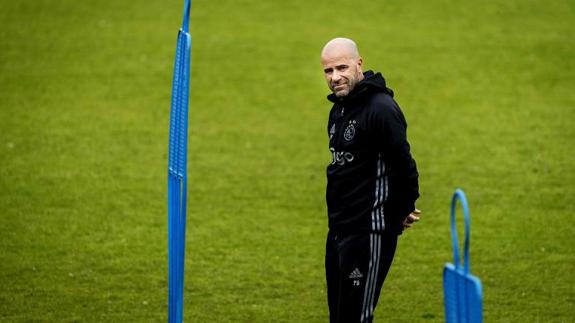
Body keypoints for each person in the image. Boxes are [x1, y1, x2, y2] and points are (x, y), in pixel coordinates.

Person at [321, 38, 421, 323]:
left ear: (359, 63)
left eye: (342, 67)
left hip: (368, 231)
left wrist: (403, 208)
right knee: (340, 316)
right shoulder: (339, 108)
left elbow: (404, 164)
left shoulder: (381, 109)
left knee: (356, 318)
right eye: (328, 71)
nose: (335, 77)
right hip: (339, 229)